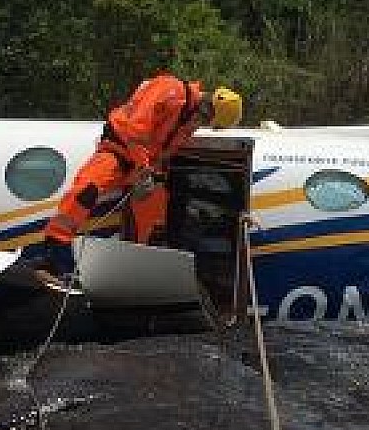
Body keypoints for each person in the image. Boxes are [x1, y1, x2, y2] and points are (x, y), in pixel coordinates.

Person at [35, 75, 243, 283]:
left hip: (143, 167)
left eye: (207, 121)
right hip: (119, 150)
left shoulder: (189, 120)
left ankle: (131, 272)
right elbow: (134, 130)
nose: (201, 123)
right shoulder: (170, 89)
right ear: (208, 104)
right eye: (205, 117)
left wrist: (153, 174)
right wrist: (144, 168)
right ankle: (52, 259)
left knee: (156, 215)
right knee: (86, 190)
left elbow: (164, 150)